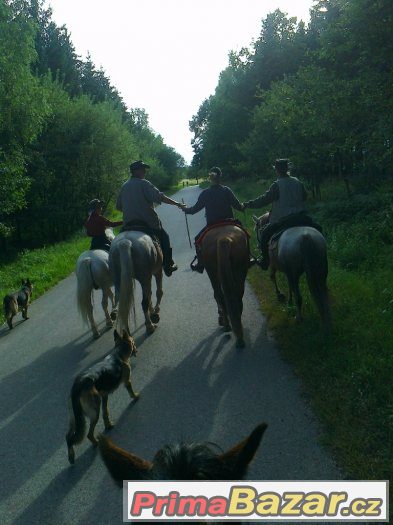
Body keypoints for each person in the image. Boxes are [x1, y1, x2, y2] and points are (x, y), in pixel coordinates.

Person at [243, 158, 317, 270]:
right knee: (318, 229)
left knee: (264, 235)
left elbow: (264, 200)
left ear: (276, 170)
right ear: (287, 169)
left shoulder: (277, 185)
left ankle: (265, 261)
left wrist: (247, 204)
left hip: (283, 219)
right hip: (301, 218)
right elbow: (305, 197)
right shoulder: (298, 182)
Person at [116, 160, 183, 277]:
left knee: (115, 244)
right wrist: (177, 203)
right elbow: (160, 197)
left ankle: (116, 271)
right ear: (136, 171)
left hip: (128, 226)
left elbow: (119, 207)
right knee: (165, 237)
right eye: (142, 169)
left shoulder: (124, 186)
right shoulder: (144, 183)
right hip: (147, 223)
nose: (144, 171)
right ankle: (168, 265)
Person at [182, 166, 248, 273]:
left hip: (212, 225)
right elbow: (238, 207)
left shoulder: (205, 193)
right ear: (220, 177)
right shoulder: (226, 190)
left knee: (197, 239)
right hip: (229, 222)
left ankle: (200, 263)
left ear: (210, 178)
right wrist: (244, 206)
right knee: (244, 234)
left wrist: (185, 209)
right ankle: (247, 258)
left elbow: (194, 210)